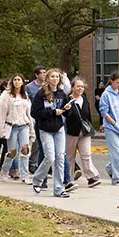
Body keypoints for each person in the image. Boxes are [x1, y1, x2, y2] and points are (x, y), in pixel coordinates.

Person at [30, 68, 71, 198]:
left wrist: (67, 109)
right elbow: (35, 113)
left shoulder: (61, 94)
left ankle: (59, 189)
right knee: (50, 157)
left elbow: (66, 112)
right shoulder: (41, 94)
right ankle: (37, 180)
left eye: (57, 77)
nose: (55, 79)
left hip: (59, 129)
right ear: (48, 78)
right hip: (45, 129)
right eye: (52, 77)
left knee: (60, 157)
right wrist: (53, 112)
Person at [0, 74, 36, 184]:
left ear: (22, 82)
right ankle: (5, 170)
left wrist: (31, 128)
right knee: (12, 152)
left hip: (24, 125)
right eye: (14, 79)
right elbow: (2, 114)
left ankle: (25, 175)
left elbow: (28, 114)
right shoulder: (7, 96)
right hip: (12, 126)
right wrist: (2, 131)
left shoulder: (25, 96)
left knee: (25, 149)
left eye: (19, 80)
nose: (17, 82)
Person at [64, 77, 101, 188]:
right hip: (71, 131)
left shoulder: (84, 99)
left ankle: (91, 177)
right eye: (78, 86)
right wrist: (68, 109)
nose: (80, 88)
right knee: (70, 156)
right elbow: (66, 115)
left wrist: (89, 127)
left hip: (84, 131)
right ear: (72, 87)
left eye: (82, 86)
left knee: (86, 154)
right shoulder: (67, 99)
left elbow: (88, 115)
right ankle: (68, 178)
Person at [99, 71, 119, 186]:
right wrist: (114, 124)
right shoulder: (106, 94)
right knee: (115, 152)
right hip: (111, 128)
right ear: (112, 81)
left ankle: (110, 167)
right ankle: (117, 178)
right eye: (117, 83)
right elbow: (104, 112)